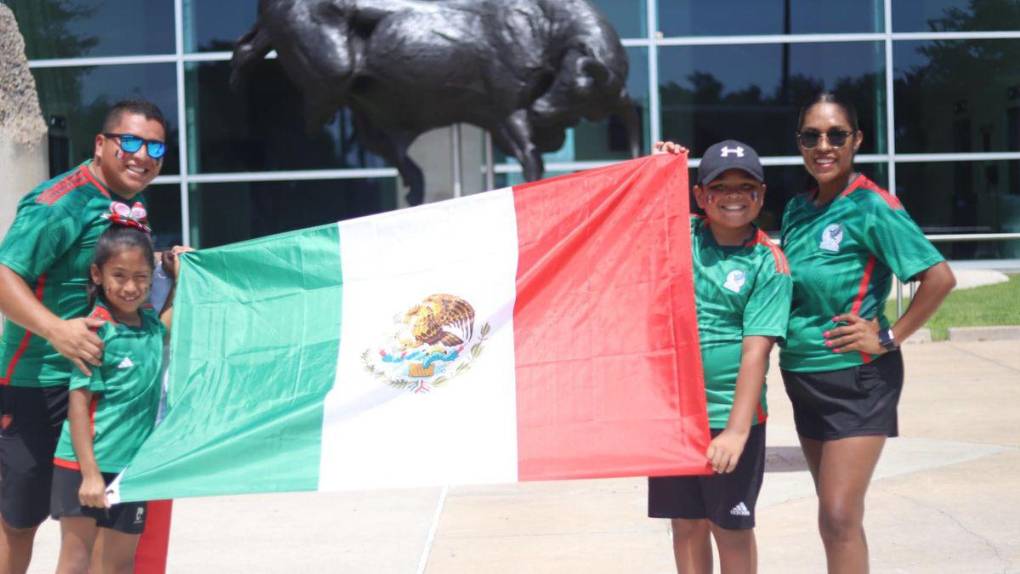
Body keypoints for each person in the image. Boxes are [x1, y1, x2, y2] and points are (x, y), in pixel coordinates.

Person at [779, 92, 956, 573]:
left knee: (839, 516)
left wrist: (889, 337)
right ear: (799, 143)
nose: (823, 146)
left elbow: (939, 278)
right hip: (803, 376)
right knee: (832, 516)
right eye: (811, 136)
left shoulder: (872, 206)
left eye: (836, 135)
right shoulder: (796, 209)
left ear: (856, 140)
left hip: (858, 381)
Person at [0, 100, 167, 574]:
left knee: (101, 530)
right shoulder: (61, 203)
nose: (142, 155)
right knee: (19, 522)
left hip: (107, 392)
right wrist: (57, 331)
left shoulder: (133, 207)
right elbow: (4, 276)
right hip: (41, 384)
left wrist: (170, 265)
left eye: (155, 147)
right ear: (100, 144)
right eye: (130, 141)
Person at [650, 140, 793, 573]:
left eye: (745, 187)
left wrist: (735, 431)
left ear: (761, 195)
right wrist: (659, 170)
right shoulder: (682, 236)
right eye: (720, 187)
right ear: (700, 196)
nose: (734, 196)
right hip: (674, 414)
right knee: (686, 525)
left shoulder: (768, 263)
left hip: (728, 417)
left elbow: (756, 352)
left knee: (730, 529)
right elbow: (638, 219)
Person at [49, 211, 178, 574]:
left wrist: (179, 280)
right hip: (84, 465)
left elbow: (167, 323)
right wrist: (90, 474)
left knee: (119, 564)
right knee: (76, 562)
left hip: (130, 469)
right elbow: (78, 407)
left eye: (141, 277)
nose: (130, 287)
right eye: (119, 276)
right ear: (97, 275)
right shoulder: (94, 332)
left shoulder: (148, 324)